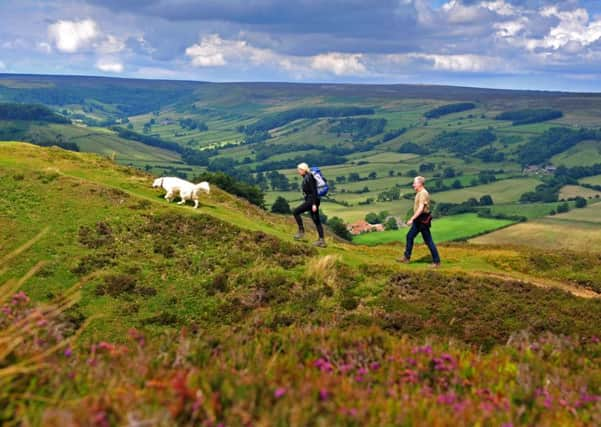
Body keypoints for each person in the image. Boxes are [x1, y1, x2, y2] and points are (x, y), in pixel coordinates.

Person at [400, 176, 440, 267]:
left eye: (414, 183)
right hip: (420, 220)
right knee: (410, 236)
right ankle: (406, 258)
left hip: (422, 220)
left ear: (420, 183)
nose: (413, 185)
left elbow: (421, 208)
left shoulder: (423, 193)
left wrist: (412, 219)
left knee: (428, 241)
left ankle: (436, 262)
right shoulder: (420, 193)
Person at [293, 162, 326, 247]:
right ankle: (321, 240)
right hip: (312, 200)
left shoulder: (309, 177)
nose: (298, 171)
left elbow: (314, 190)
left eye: (299, 170)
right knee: (316, 220)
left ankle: (301, 232)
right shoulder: (306, 177)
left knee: (296, 212)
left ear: (303, 170)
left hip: (312, 200)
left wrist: (314, 204)